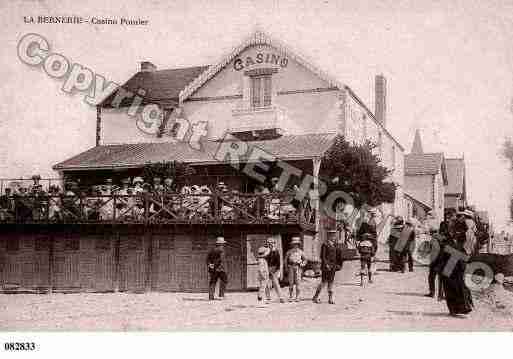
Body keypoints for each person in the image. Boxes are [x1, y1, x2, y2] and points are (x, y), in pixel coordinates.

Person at [437, 233, 473, 316]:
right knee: (459, 289)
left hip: (448, 269)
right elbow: (465, 260)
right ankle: (463, 308)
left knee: (449, 290)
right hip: (457, 270)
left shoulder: (446, 245)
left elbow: (440, 258)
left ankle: (453, 309)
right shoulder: (460, 247)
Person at [313, 230, 342, 304]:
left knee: (331, 282)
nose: (333, 237)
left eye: (334, 235)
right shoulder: (325, 244)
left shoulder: (335, 245)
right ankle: (316, 297)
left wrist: (339, 265)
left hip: (333, 266)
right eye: (331, 235)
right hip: (326, 266)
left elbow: (338, 256)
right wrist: (326, 264)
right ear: (328, 236)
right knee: (324, 282)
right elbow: (322, 256)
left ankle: (330, 299)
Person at [284, 237, 306, 302]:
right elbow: (285, 260)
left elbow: (305, 260)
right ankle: (291, 296)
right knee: (291, 282)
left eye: (296, 244)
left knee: (298, 282)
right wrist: (286, 268)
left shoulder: (301, 252)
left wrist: (302, 264)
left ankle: (297, 296)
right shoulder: (289, 252)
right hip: (291, 267)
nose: (295, 245)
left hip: (298, 268)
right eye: (294, 244)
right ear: (292, 245)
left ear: (298, 245)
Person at [264, 237, 285, 303]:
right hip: (267, 268)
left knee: (276, 283)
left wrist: (277, 271)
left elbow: (278, 262)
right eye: (269, 243)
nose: (270, 244)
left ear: (274, 244)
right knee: (266, 284)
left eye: (272, 243)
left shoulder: (276, 251)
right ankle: (268, 298)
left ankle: (281, 297)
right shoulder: (266, 251)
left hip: (274, 269)